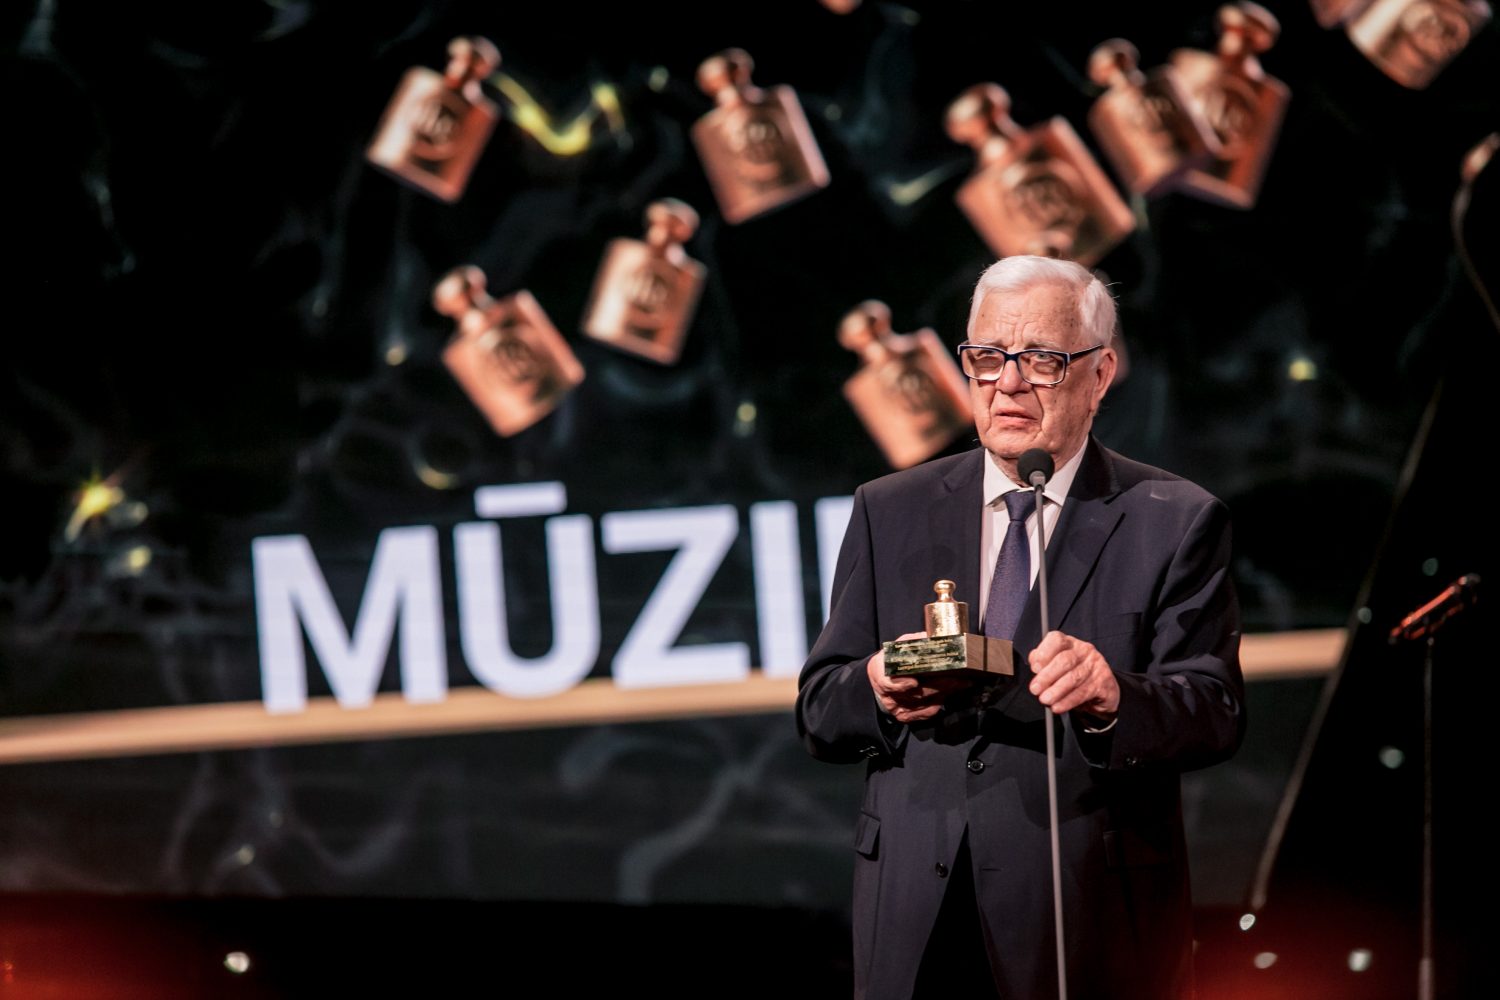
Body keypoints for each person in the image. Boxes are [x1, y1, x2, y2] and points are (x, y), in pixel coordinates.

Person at [796, 255, 1246, 1000]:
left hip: (1086, 916)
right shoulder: (889, 507)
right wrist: (876, 686)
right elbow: (819, 707)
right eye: (986, 356)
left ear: (1099, 375)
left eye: (1041, 359)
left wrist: (1113, 697)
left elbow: (1214, 710)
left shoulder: (1175, 519)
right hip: (915, 913)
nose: (1007, 383)